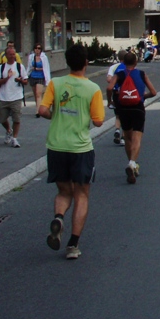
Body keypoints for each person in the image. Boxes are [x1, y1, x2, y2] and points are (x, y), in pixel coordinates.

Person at [39, 44, 105, 260]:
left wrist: (57, 115)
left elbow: (42, 110)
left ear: (67, 62)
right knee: (82, 194)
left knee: (64, 191)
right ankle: (73, 245)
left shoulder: (55, 84)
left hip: (56, 146)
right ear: (86, 62)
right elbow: (98, 121)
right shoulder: (93, 89)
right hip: (80, 148)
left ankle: (59, 217)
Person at [108, 51, 157, 183]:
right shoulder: (141, 74)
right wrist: (142, 97)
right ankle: (132, 163)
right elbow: (153, 92)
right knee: (137, 137)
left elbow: (109, 87)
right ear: (136, 62)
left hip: (123, 108)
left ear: (123, 62)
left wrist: (110, 101)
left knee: (128, 137)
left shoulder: (119, 74)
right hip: (137, 107)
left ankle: (131, 162)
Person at [0, 46, 28, 148]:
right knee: (2, 119)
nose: (13, 56)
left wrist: (20, 80)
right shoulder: (1, 68)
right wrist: (7, 78)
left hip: (16, 96)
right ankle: (9, 130)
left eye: (14, 54)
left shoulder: (19, 66)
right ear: (6, 55)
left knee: (16, 119)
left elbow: (25, 81)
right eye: (10, 54)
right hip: (4, 97)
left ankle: (14, 138)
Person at [106, 57, 126, 146]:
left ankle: (117, 130)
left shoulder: (114, 67)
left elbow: (109, 80)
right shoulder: (130, 68)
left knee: (118, 115)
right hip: (127, 94)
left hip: (116, 93)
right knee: (126, 117)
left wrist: (109, 101)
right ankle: (123, 138)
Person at [28, 44, 51, 118]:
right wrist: (25, 76)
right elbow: (29, 67)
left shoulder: (44, 57)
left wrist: (48, 80)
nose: (37, 50)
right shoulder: (31, 57)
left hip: (41, 77)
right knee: (35, 94)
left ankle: (38, 111)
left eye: (39, 48)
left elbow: (46, 68)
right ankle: (37, 107)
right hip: (33, 76)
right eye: (36, 48)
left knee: (38, 94)